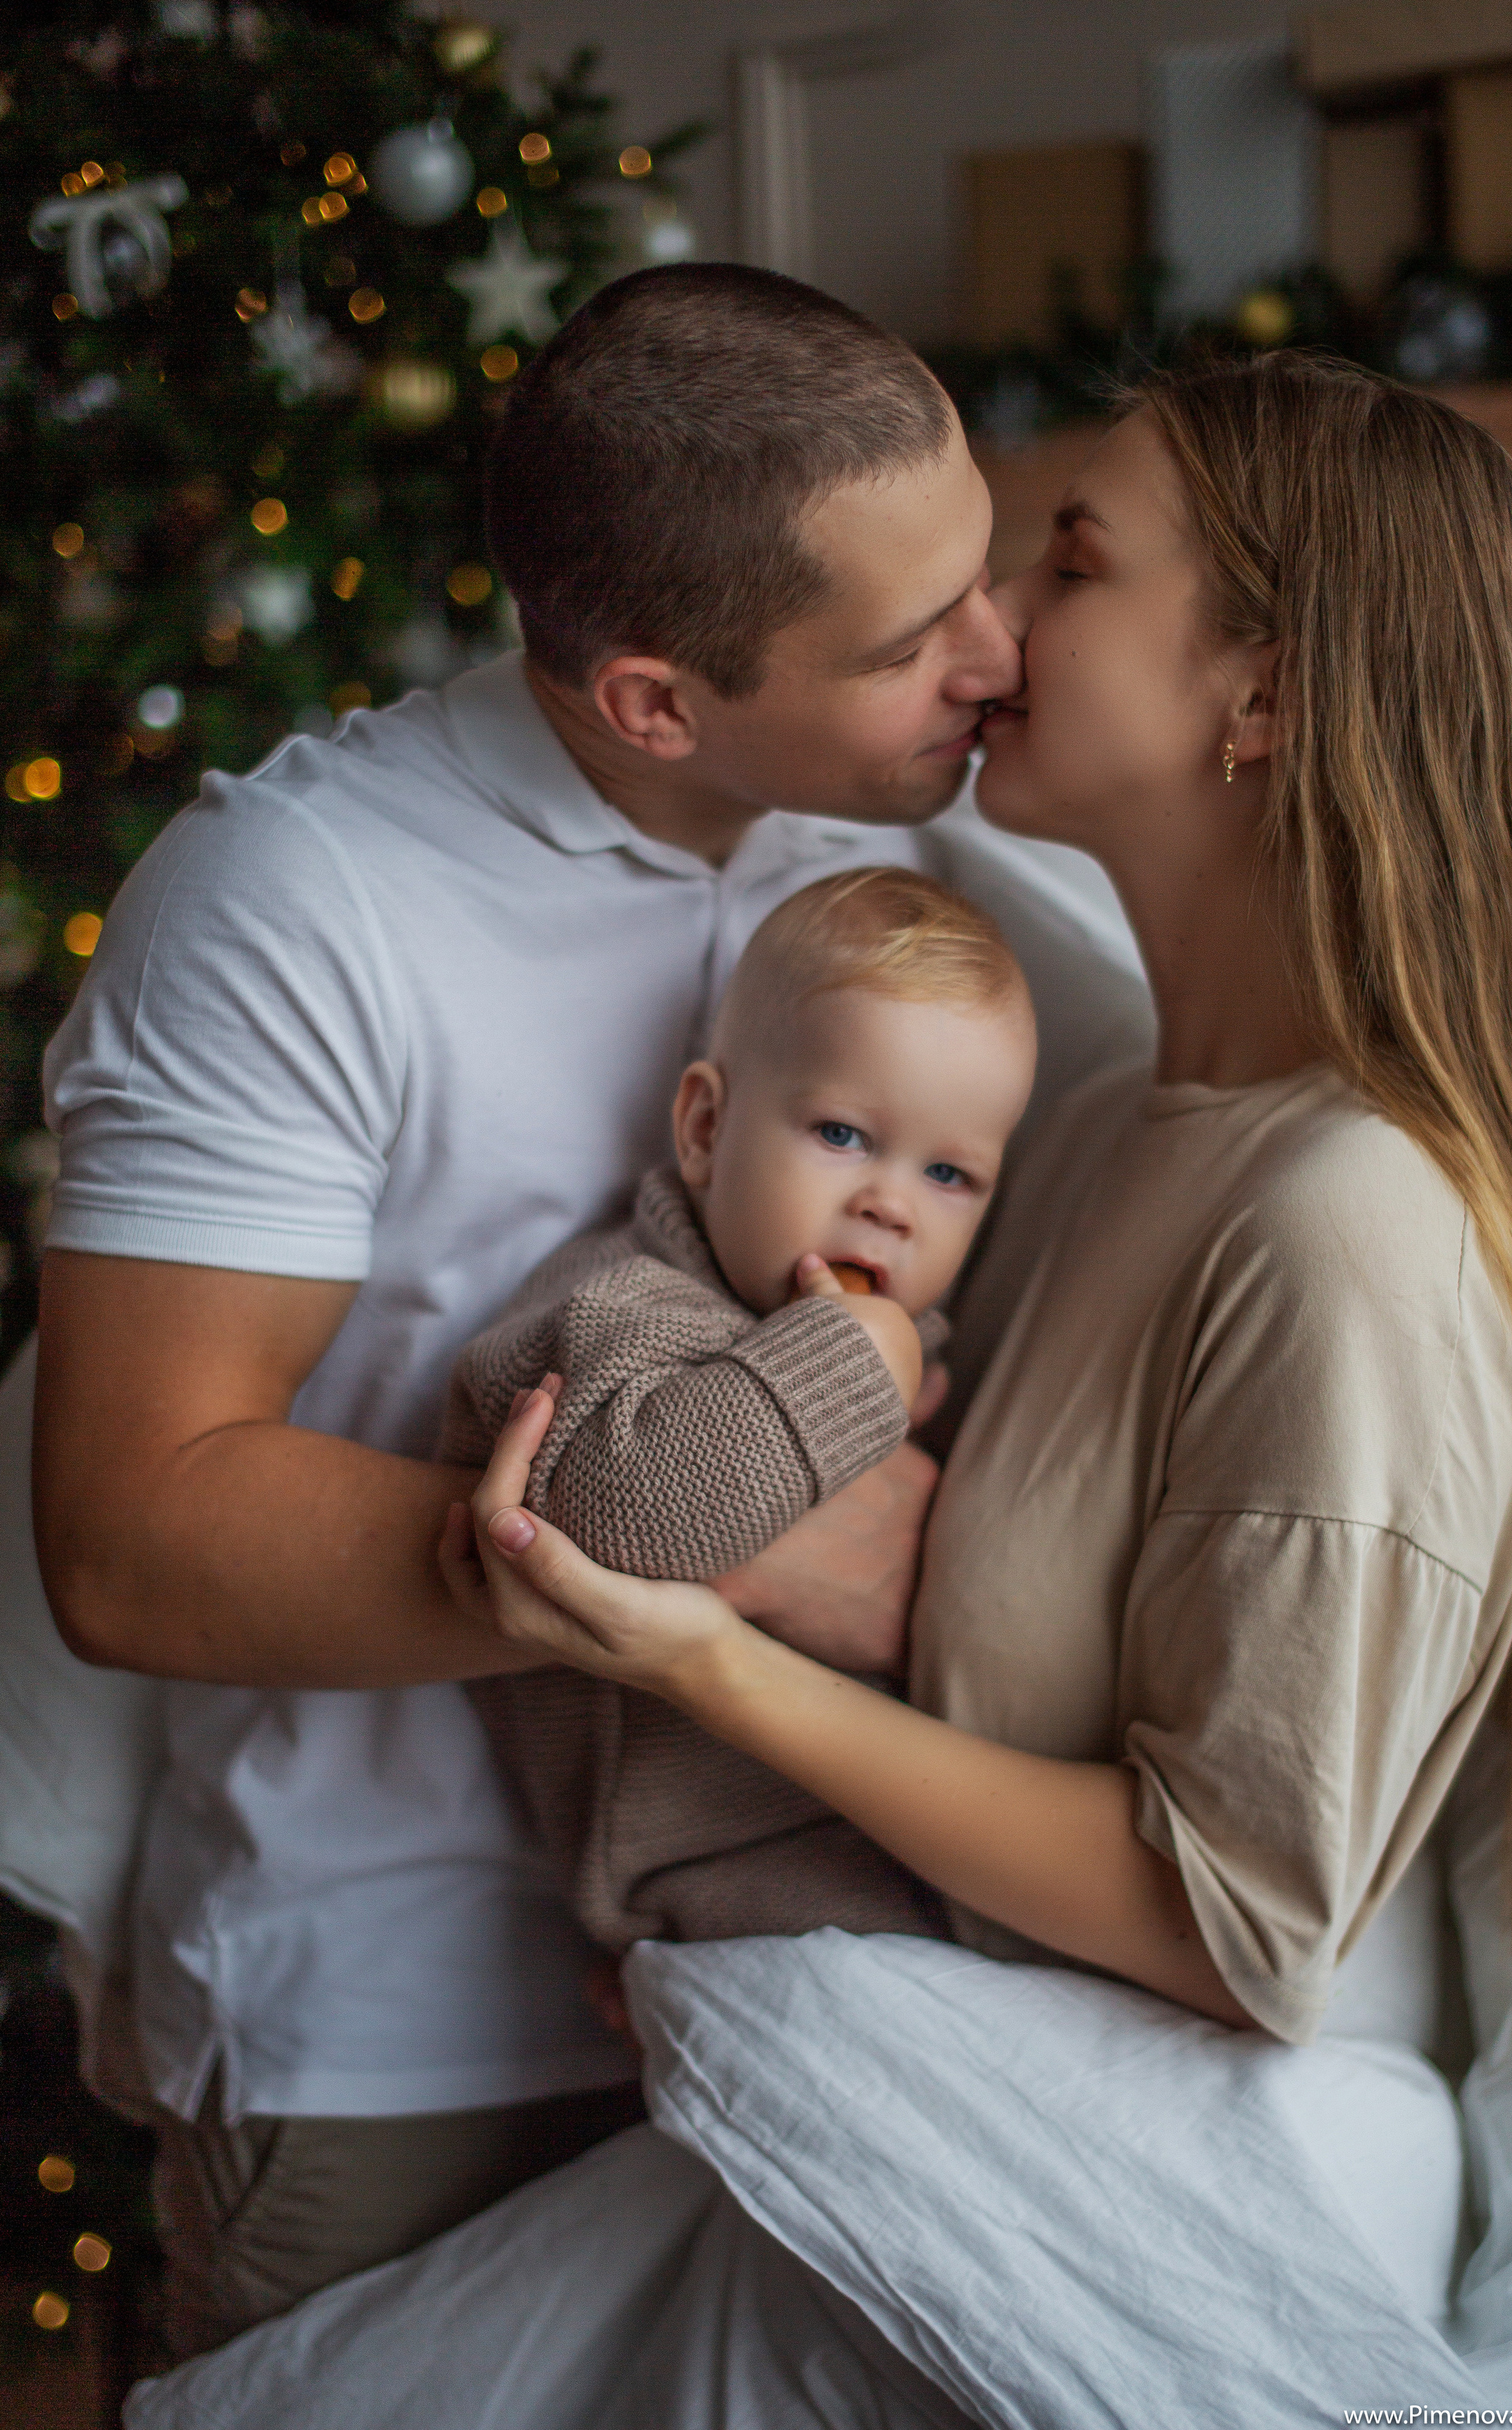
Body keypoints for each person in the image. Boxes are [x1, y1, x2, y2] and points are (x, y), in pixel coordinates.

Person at [29, 261, 1120, 2360]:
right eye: (913, 640)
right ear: (649, 701)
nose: (998, 662)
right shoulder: (296, 907)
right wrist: (716, 1535)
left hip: (802, 1983)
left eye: (984, 574)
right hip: (406, 2036)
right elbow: (131, 1538)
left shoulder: (896, 841)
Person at [447, 867, 1036, 1954]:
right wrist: (856, 1361)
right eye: (844, 1135)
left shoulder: (915, 1352)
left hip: (894, 1846)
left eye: (950, 1172)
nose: (890, 1203)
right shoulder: (628, 1303)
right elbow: (621, 1518)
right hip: (717, 1887)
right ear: (708, 1128)